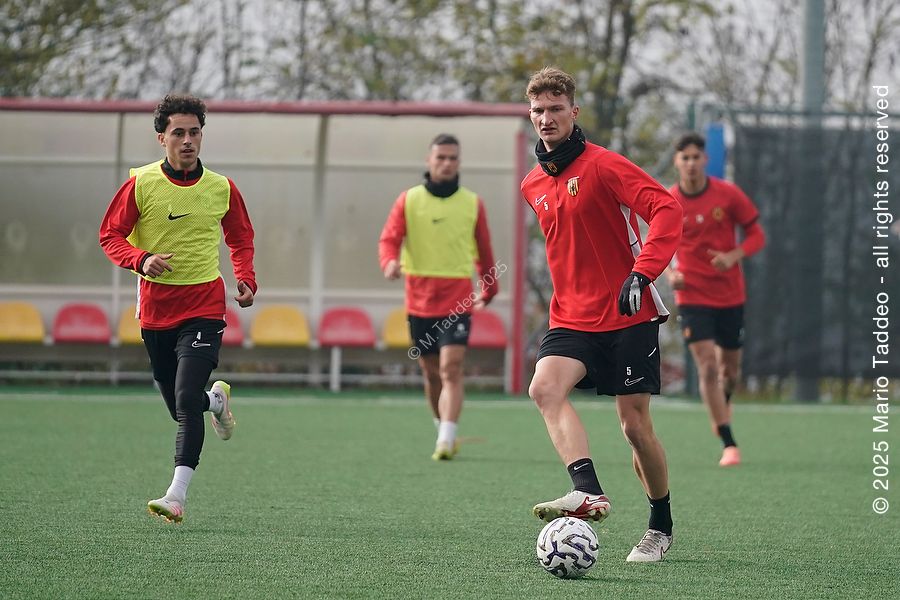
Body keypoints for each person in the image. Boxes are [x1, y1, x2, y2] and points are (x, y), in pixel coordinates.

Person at [521, 67, 682, 562]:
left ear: (574, 111)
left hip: (628, 315)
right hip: (571, 317)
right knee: (544, 388)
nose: (546, 118)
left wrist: (643, 272)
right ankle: (587, 490)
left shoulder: (605, 165)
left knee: (634, 428)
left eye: (555, 108)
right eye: (538, 110)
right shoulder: (531, 183)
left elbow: (667, 210)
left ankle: (660, 525)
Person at [99, 94, 257, 523]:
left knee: (186, 398)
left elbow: (240, 237)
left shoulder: (222, 187)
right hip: (156, 311)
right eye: (178, 133)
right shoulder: (141, 183)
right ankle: (216, 402)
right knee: (180, 406)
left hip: (205, 305)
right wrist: (141, 259)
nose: (187, 141)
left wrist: (245, 277)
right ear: (161, 138)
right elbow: (110, 236)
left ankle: (176, 495)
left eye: (194, 132)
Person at [379, 133, 499, 461]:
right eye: (441, 157)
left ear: (459, 162)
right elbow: (389, 239)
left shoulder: (472, 203)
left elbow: (484, 249)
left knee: (451, 368)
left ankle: (446, 439)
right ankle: (442, 427)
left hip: (457, 298)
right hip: (419, 300)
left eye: (452, 158)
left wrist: (490, 286)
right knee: (431, 373)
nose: (447, 163)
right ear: (429, 161)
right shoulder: (408, 200)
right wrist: (389, 262)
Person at [666, 132, 766, 467]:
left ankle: (721, 405)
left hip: (729, 294)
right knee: (707, 365)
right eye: (685, 158)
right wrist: (671, 273)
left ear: (705, 160)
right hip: (691, 295)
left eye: (696, 157)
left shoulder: (728, 194)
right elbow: (657, 245)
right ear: (677, 162)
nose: (691, 164)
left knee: (729, 371)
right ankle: (728, 442)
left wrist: (733, 255)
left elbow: (757, 235)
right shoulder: (669, 201)